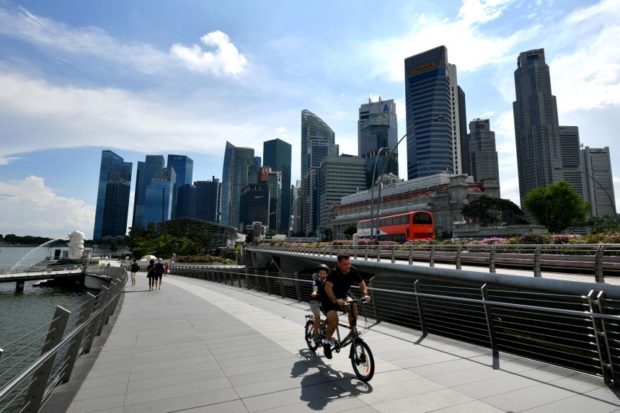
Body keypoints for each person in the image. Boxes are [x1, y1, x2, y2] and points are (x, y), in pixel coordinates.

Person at [322, 255, 370, 359]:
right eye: (345, 264)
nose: (348, 266)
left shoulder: (352, 271)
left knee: (353, 304)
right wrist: (335, 300)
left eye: (349, 263)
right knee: (334, 321)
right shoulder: (334, 273)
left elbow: (362, 284)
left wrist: (365, 294)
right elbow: (327, 288)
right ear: (339, 264)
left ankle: (352, 330)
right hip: (328, 299)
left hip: (342, 297)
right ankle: (326, 342)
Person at [309, 264, 330, 337]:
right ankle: (315, 332)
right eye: (320, 273)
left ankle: (323, 325)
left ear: (327, 274)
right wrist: (314, 292)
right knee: (317, 316)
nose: (322, 275)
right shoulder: (316, 281)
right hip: (314, 301)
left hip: (323, 302)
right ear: (318, 274)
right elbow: (315, 288)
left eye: (324, 273)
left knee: (331, 317)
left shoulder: (328, 282)